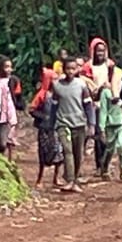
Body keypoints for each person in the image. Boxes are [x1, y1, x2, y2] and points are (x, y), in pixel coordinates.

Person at [52, 58, 92, 193]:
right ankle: (69, 180)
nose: (70, 71)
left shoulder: (81, 85)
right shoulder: (57, 85)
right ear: (63, 69)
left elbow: (88, 106)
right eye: (67, 68)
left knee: (78, 153)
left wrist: (91, 123)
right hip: (63, 123)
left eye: (73, 69)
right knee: (67, 151)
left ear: (77, 70)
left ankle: (75, 180)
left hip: (79, 124)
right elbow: (54, 106)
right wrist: (51, 125)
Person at [84, 38, 120, 177]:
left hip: (110, 101)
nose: (100, 53)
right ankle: (100, 165)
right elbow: (85, 83)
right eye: (98, 50)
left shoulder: (110, 65)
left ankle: (107, 163)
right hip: (95, 104)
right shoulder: (87, 67)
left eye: (102, 50)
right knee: (100, 135)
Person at [28, 60, 64, 187]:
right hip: (45, 128)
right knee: (43, 153)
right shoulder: (42, 95)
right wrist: (43, 117)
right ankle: (40, 179)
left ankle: (56, 178)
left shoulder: (60, 94)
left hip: (57, 127)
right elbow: (31, 109)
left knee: (59, 153)